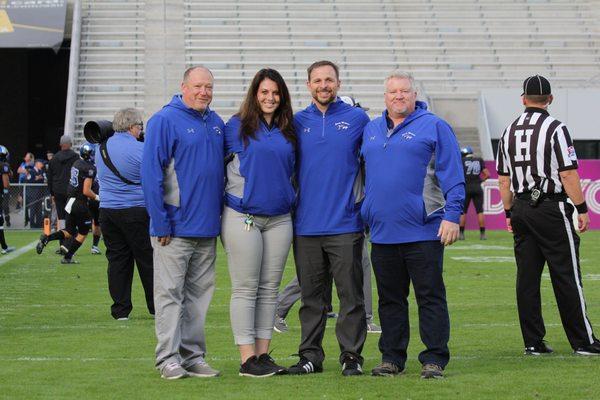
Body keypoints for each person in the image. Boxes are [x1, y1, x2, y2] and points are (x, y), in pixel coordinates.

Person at [362, 70, 464, 379]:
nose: (399, 96)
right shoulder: (371, 129)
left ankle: (433, 358)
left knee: (430, 296)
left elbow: (453, 175)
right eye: (393, 92)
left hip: (424, 230)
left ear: (414, 95)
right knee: (390, 300)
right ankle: (391, 358)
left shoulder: (435, 126)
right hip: (382, 233)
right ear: (385, 97)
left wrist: (452, 215)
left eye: (404, 91)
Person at [497, 75, 600, 356]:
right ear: (550, 99)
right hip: (550, 207)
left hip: (520, 207)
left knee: (527, 277)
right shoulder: (555, 128)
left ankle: (533, 341)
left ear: (523, 99)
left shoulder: (508, 131)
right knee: (566, 274)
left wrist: (508, 213)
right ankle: (583, 341)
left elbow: (503, 180)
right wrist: (581, 208)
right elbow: (567, 173)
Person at [287, 60, 370, 376]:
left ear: (338, 83)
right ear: (308, 85)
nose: (324, 85)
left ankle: (351, 356)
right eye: (318, 80)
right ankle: (310, 357)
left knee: (351, 297)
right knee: (312, 299)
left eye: (329, 80)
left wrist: (364, 206)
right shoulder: (295, 123)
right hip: (306, 226)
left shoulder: (357, 119)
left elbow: (373, 162)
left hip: (346, 225)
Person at [142, 66, 224, 380]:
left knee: (199, 298)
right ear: (184, 86)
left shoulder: (215, 123)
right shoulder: (164, 120)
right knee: (169, 295)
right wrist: (160, 222)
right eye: (198, 86)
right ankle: (168, 358)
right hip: (173, 230)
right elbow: (151, 176)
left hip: (206, 229)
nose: (204, 92)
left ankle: (193, 356)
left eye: (209, 87)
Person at [221, 68, 296, 377]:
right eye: (264, 92)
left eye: (275, 93)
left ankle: (263, 355)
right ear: (254, 94)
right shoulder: (235, 126)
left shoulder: (290, 127)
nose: (270, 98)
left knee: (269, 289)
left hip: (280, 219)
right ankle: (247, 358)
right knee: (245, 288)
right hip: (244, 216)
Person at [96, 108, 154, 321]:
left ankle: (120, 310)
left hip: (108, 210)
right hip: (135, 209)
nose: (141, 131)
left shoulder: (100, 148)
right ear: (132, 127)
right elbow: (152, 177)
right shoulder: (141, 149)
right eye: (139, 127)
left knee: (117, 260)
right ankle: (156, 306)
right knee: (147, 259)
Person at [36, 144, 99, 264]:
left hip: (70, 201)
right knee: (83, 232)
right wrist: (97, 197)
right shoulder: (89, 168)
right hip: (80, 203)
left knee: (69, 231)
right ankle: (68, 257)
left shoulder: (76, 163)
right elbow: (86, 190)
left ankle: (47, 238)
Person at [47, 135, 79, 253]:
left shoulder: (54, 159)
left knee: (61, 219)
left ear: (60, 145)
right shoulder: (75, 157)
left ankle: (61, 244)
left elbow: (49, 178)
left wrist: (52, 193)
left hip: (58, 191)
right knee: (71, 218)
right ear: (70, 144)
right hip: (71, 191)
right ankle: (68, 245)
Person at [459, 146, 490, 240]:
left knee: (463, 211)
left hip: (466, 187)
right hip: (477, 187)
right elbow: (487, 174)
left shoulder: (462, 160)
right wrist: (480, 181)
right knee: (480, 211)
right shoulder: (479, 160)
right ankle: (482, 234)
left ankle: (461, 234)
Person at [0, 145, 15, 255]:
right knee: (0, 222)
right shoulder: (3, 165)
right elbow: (6, 184)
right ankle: (4, 247)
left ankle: (4, 246)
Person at [24, 159, 46, 228]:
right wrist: (36, 179)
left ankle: (39, 224)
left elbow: (43, 179)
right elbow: (28, 180)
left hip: (39, 193)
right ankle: (32, 225)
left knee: (39, 209)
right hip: (32, 193)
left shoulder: (41, 171)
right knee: (33, 209)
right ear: (37, 164)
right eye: (41, 163)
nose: (42, 165)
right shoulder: (31, 171)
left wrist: (39, 178)